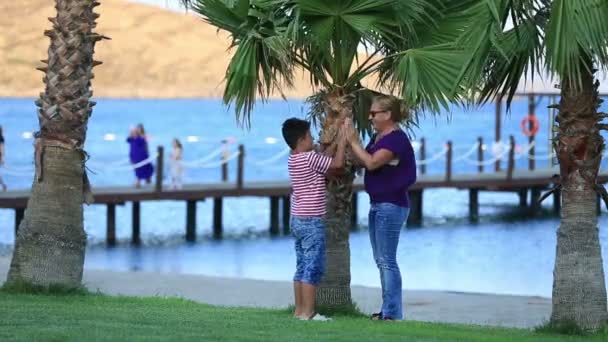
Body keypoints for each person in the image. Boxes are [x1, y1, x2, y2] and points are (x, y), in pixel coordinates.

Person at [345, 95, 417, 321]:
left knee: (387, 260)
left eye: (374, 113)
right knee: (381, 259)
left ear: (388, 115)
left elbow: (372, 162)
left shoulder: (396, 140)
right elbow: (363, 159)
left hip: (391, 204)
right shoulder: (378, 137)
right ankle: (388, 309)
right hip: (377, 203)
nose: (370, 117)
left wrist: (354, 140)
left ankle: (393, 313)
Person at [282, 117, 347, 321]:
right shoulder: (310, 158)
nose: (313, 139)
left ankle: (299, 310)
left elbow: (320, 166)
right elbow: (337, 165)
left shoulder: (294, 159)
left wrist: (323, 148)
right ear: (302, 140)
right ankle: (309, 313)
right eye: (310, 136)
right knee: (313, 266)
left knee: (302, 265)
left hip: (297, 219)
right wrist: (343, 140)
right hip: (312, 220)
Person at [126, 123, 154, 188]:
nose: (138, 130)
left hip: (142, 155)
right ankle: (140, 181)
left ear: (142, 129)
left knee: (142, 168)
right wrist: (131, 132)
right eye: (137, 128)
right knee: (137, 168)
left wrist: (147, 153)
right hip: (135, 155)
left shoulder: (143, 136)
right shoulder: (133, 136)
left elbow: (146, 145)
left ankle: (139, 182)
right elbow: (128, 140)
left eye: (139, 128)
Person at [0, 125, 7, 191]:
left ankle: (3, 185)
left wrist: (2, 158)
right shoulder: (1, 137)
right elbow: (2, 149)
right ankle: (3, 185)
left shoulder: (1, 138)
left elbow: (1, 148)